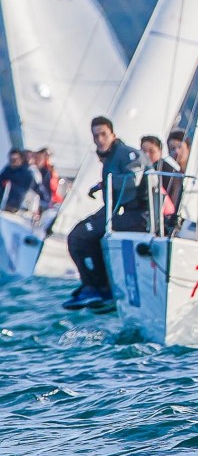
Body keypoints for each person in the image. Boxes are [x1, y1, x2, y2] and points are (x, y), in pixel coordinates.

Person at [62, 117, 148, 312]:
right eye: (96, 136)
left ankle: (100, 287)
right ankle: (94, 285)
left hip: (138, 217)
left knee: (80, 236)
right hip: (120, 212)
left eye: (103, 134)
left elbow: (133, 180)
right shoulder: (110, 158)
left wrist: (108, 182)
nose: (100, 139)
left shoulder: (127, 154)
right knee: (77, 234)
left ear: (113, 135)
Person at [140, 135, 181, 228]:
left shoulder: (168, 171)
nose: (147, 155)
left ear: (160, 152)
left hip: (163, 217)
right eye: (143, 151)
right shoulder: (140, 170)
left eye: (151, 151)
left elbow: (174, 196)